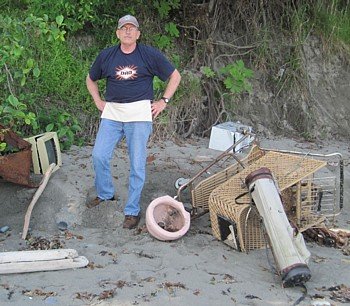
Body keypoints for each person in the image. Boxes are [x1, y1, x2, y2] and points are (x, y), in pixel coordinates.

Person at [86, 14, 181, 229]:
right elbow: (90, 79)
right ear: (118, 33)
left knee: (137, 164)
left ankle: (132, 210)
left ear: (138, 33)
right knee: (99, 155)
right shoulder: (107, 56)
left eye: (132, 28)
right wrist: (97, 100)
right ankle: (105, 194)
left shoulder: (149, 55)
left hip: (139, 115)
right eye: (124, 28)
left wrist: (163, 101)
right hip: (112, 114)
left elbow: (175, 76)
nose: (128, 31)